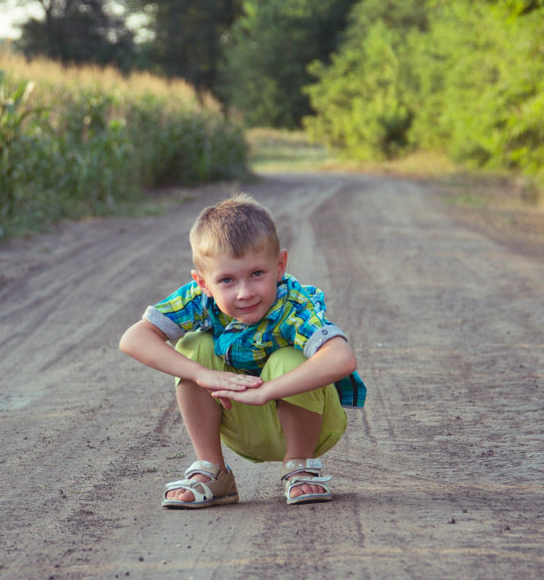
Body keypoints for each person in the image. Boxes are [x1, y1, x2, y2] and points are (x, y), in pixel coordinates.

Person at [119, 192, 366, 508]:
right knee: (194, 345)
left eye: (257, 274)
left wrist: (268, 390)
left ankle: (300, 467)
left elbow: (342, 357)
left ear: (280, 266)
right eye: (226, 280)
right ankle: (213, 471)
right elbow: (133, 338)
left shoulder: (292, 304)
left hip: (313, 426)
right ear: (203, 283)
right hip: (241, 419)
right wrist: (204, 375)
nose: (245, 292)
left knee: (289, 357)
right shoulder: (201, 299)